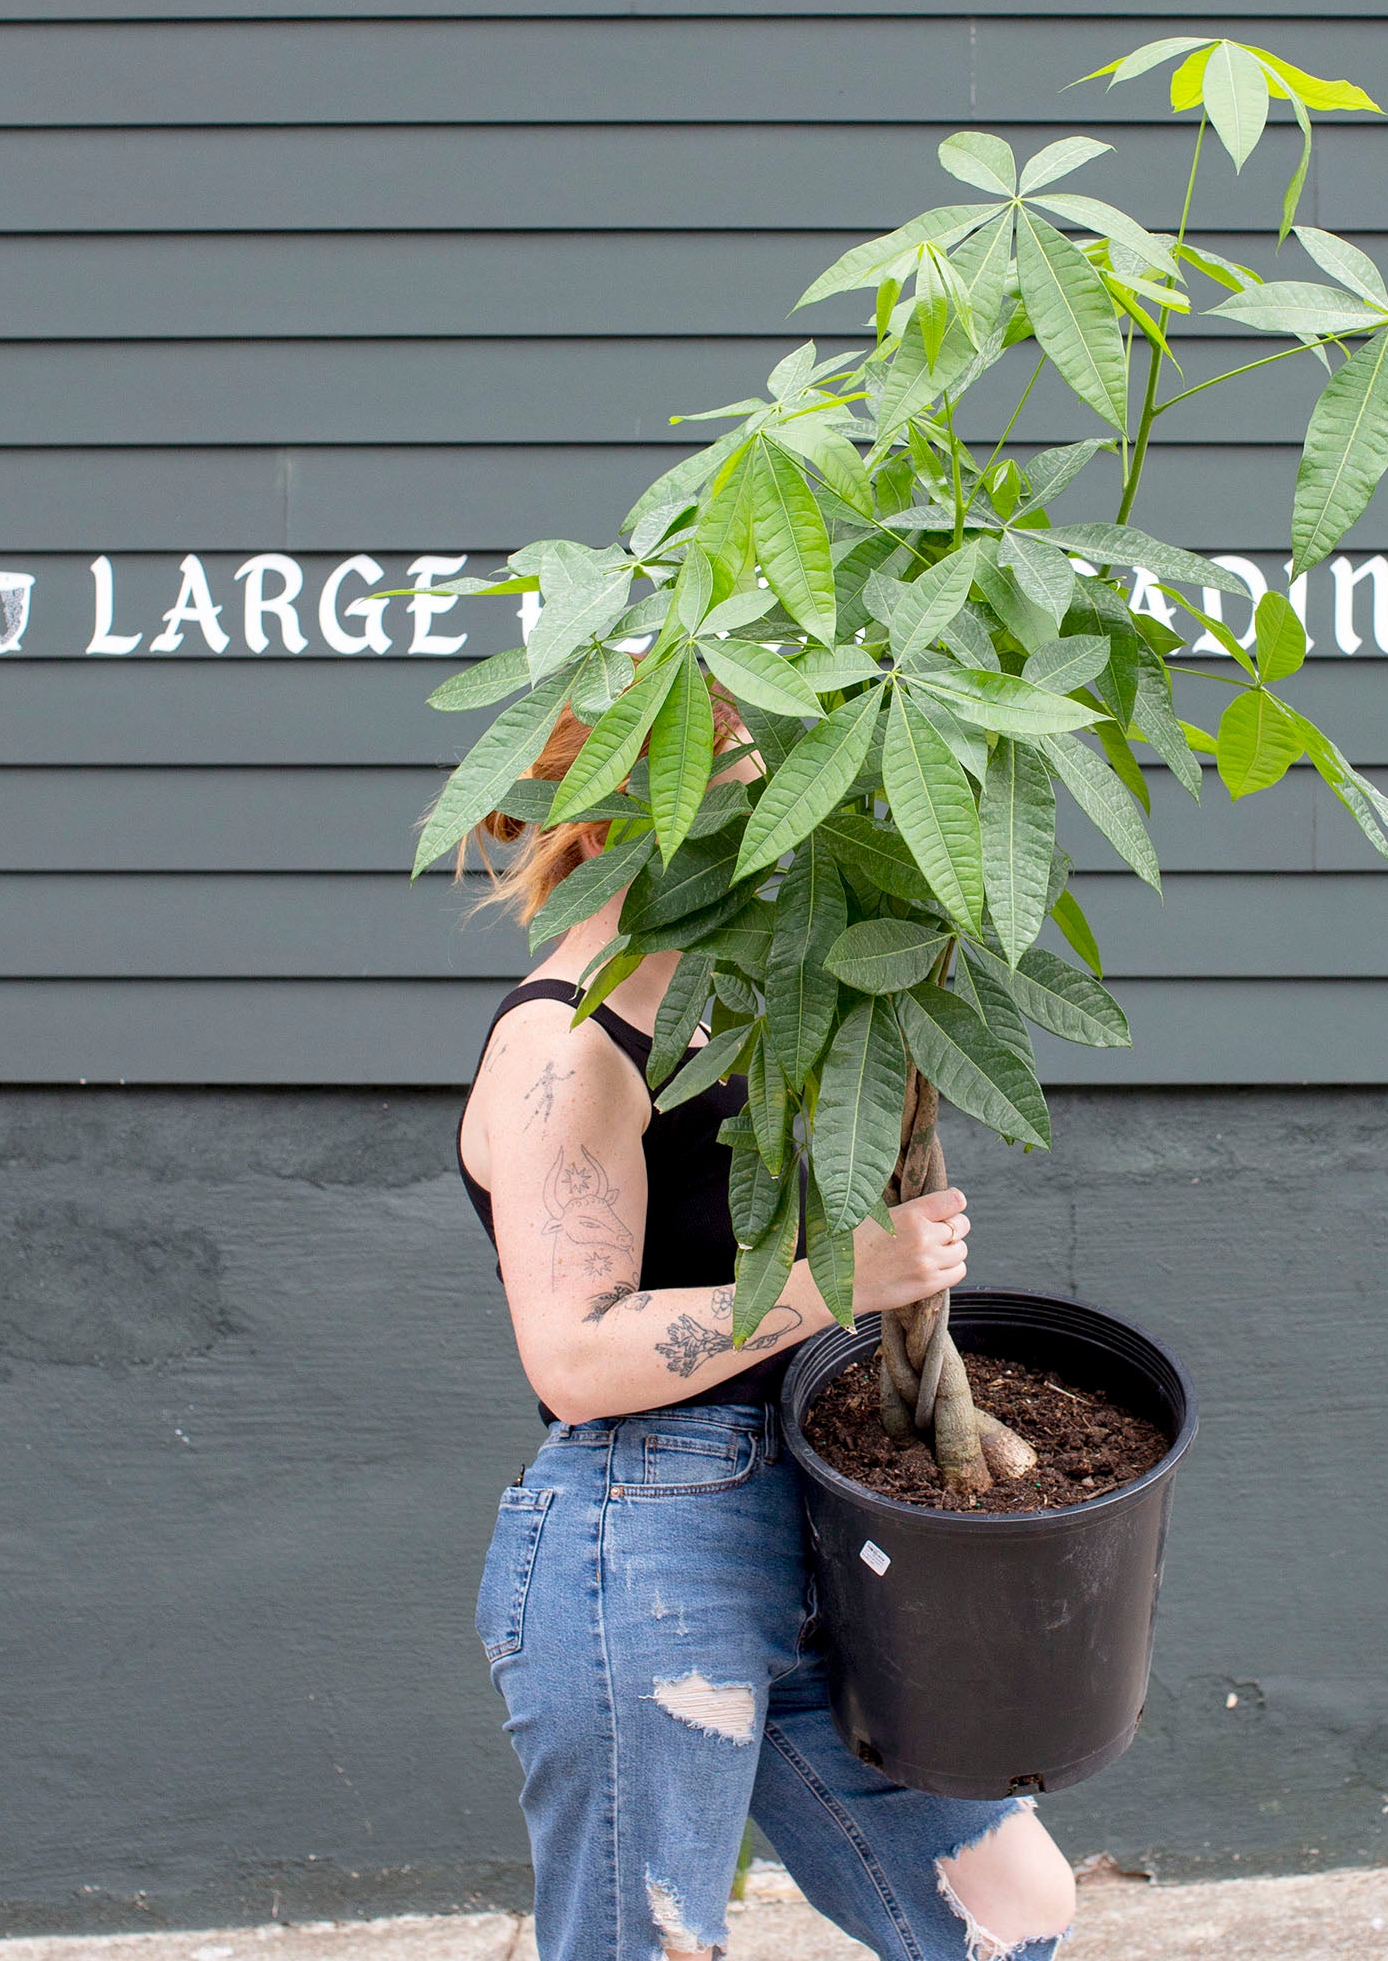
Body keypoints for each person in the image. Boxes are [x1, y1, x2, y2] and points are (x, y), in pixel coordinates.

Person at [455, 696, 1077, 1961]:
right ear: (633, 816)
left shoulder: (736, 1004)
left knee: (1010, 1909)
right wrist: (844, 1271)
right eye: (746, 792)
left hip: (814, 1524)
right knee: (651, 1944)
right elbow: (572, 1355)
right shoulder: (563, 1044)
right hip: (644, 1541)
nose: (782, 824)